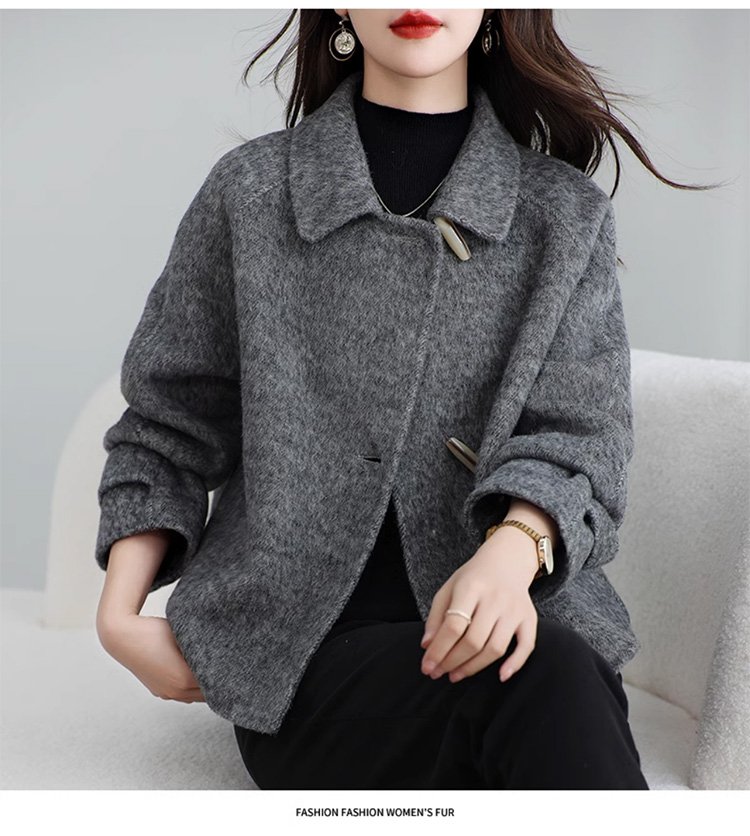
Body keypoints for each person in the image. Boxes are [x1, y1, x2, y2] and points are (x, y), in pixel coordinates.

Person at [94, 9, 716, 790]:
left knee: (544, 668)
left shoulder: (562, 214)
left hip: (523, 624)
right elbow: (169, 424)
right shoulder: (251, 193)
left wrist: (511, 554)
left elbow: (581, 434)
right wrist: (118, 619)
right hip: (305, 666)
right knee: (544, 683)